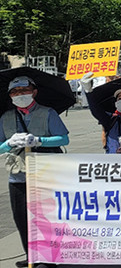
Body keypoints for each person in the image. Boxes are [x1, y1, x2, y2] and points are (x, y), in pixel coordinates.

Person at [0, 76, 69, 268]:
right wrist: (9, 143)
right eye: (15, 92)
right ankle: (31, 255)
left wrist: (39, 140)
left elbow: (63, 139)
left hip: (46, 174)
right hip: (18, 176)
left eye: (24, 90)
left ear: (34, 92)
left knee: (46, 217)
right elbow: (0, 147)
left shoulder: (48, 113)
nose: (20, 95)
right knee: (22, 218)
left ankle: (47, 258)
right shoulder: (5, 117)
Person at [82, 72, 121, 154]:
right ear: (116, 103)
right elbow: (96, 111)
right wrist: (88, 91)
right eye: (119, 98)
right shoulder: (112, 118)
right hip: (113, 159)